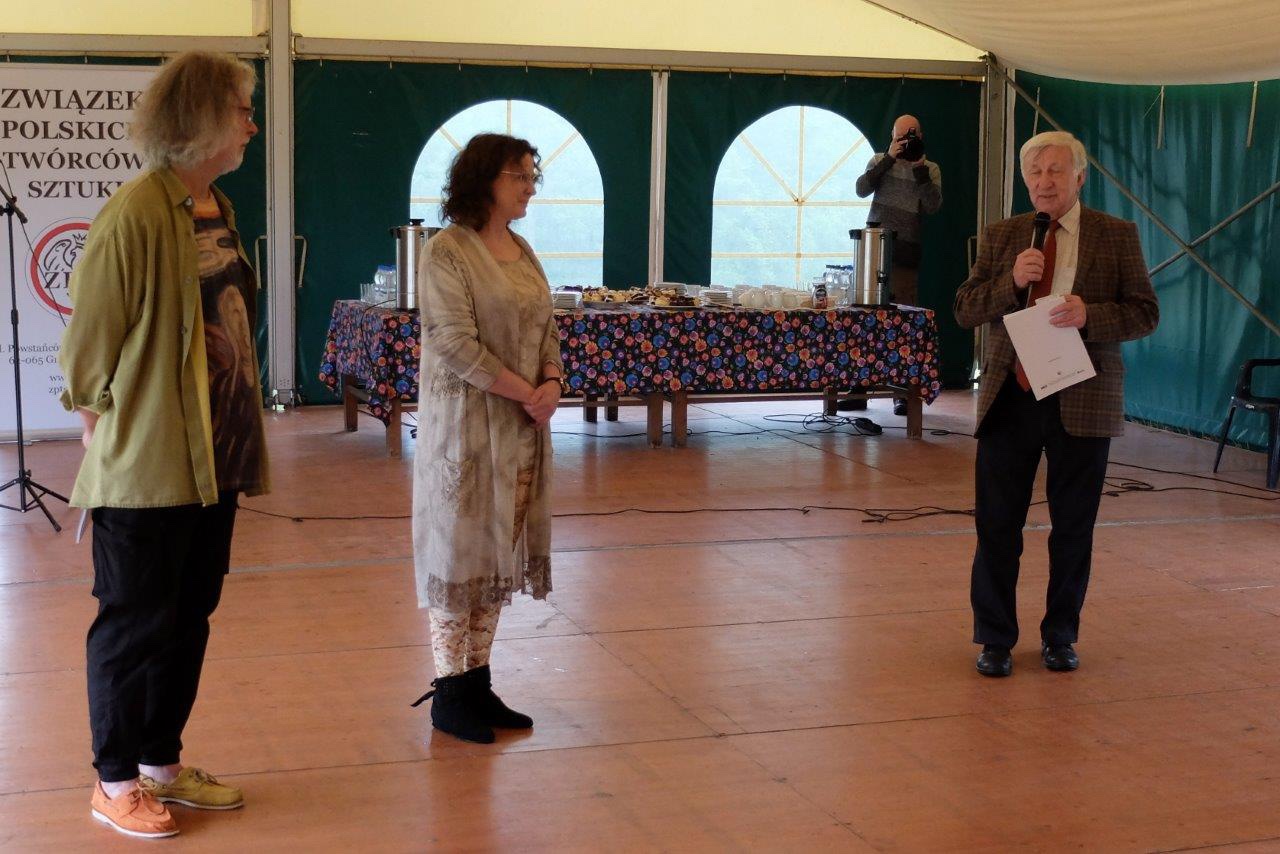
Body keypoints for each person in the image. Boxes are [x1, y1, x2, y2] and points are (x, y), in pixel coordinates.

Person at [58, 51, 269, 838]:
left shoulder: (216, 205)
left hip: (216, 459)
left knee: (188, 617)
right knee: (134, 621)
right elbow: (88, 346)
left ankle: (159, 768)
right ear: (202, 118)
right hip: (148, 465)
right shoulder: (137, 212)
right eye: (243, 110)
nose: (252, 125)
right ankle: (113, 782)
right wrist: (100, 431)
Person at [954, 130, 1159, 678]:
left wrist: (1091, 315)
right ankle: (995, 639)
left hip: (1082, 396)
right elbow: (965, 309)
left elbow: (1145, 312)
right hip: (1011, 397)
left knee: (1073, 528)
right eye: (1035, 172)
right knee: (997, 526)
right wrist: (1008, 283)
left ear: (1079, 177)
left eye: (1056, 171)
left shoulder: (1115, 235)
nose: (1045, 181)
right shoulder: (1003, 235)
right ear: (1026, 180)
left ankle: (1060, 636)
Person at [410, 133, 562, 744]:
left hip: (520, 431)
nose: (529, 187)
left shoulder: (523, 249)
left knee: (497, 551)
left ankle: (477, 683)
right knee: (460, 554)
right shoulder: (446, 251)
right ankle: (450, 692)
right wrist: (526, 392)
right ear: (484, 180)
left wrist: (552, 380)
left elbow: (547, 327)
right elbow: (452, 342)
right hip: (467, 434)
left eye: (532, 176)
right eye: (518, 176)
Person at [842, 114, 942, 415]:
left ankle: (902, 394)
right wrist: (888, 158)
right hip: (872, 250)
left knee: (904, 326)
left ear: (920, 136)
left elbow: (933, 206)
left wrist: (919, 169)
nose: (906, 142)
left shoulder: (930, 168)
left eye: (911, 136)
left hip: (905, 254)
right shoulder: (878, 160)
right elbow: (861, 189)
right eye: (901, 137)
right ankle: (858, 389)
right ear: (892, 136)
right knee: (864, 323)